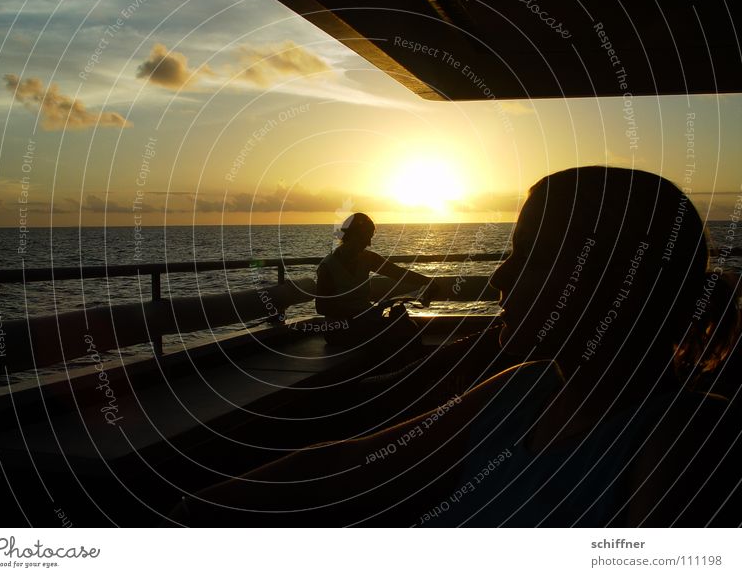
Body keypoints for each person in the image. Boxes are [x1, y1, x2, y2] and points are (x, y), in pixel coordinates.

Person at [169, 167, 740, 526]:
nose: (499, 279)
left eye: (532, 257)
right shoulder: (526, 386)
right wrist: (189, 513)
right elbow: (348, 461)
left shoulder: (685, 444)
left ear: (616, 279)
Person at [315, 212, 437, 350]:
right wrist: (360, 314)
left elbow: (398, 273)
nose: (369, 243)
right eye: (366, 238)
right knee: (402, 331)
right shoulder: (328, 266)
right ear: (353, 236)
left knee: (404, 324)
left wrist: (428, 281)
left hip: (365, 323)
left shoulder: (367, 258)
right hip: (339, 330)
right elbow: (322, 307)